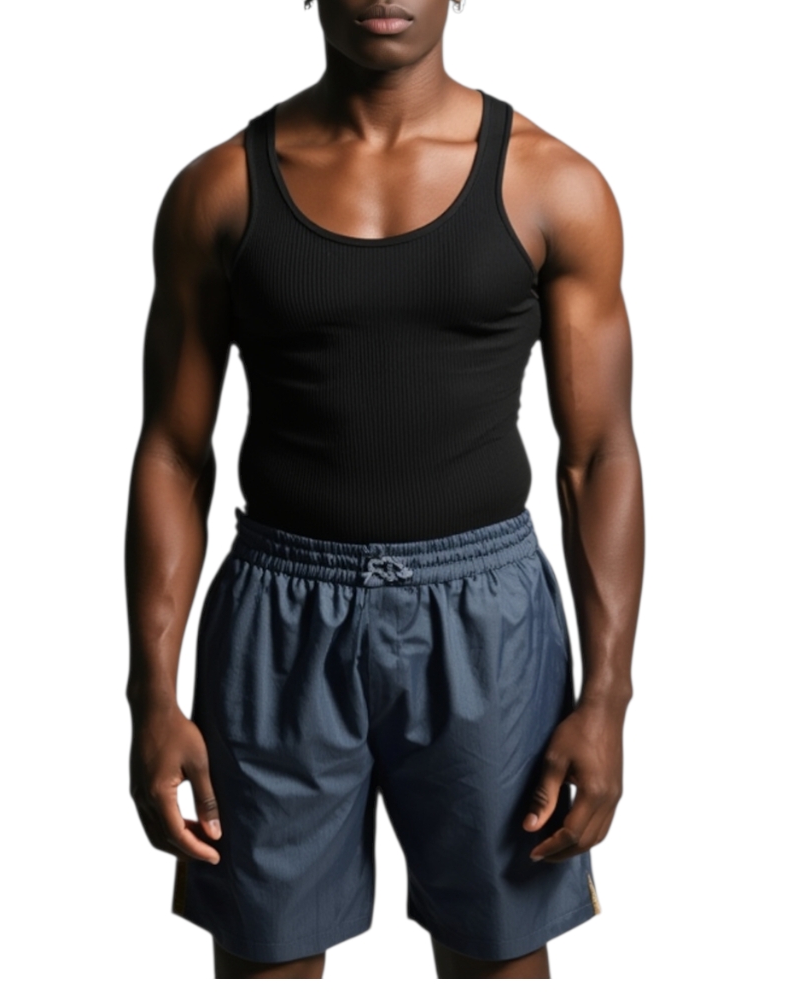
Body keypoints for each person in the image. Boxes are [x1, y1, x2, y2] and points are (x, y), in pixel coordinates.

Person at [125, 0, 643, 980]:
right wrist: (151, 694)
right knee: (267, 957)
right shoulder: (219, 190)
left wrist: (607, 698)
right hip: (280, 614)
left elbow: (599, 453)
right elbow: (172, 453)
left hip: (487, 618)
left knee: (497, 955)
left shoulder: (551, 184)